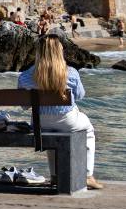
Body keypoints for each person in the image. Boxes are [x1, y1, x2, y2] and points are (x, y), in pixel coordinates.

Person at [20, 33, 102, 191]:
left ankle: (55, 176)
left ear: (39, 52)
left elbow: (24, 105)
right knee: (89, 131)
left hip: (39, 123)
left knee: (51, 135)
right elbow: (79, 95)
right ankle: (87, 175)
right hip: (67, 120)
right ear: (59, 52)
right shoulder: (70, 72)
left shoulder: (26, 76)